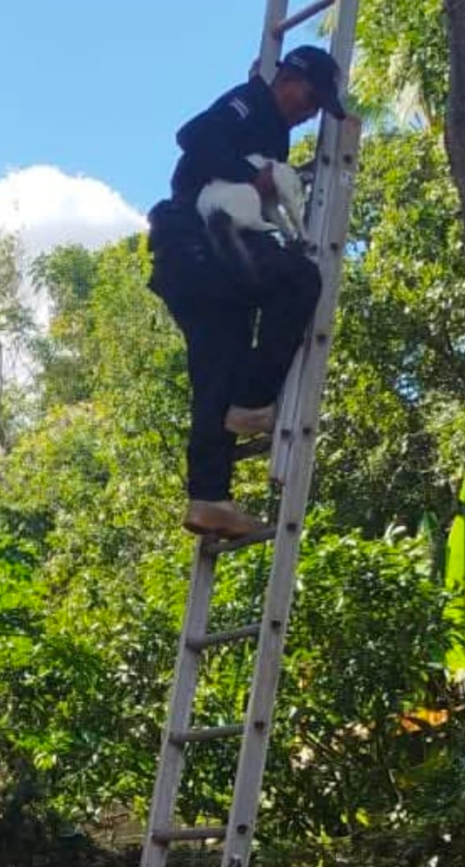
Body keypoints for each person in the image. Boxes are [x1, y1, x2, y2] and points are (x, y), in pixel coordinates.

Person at [147, 46, 346, 540]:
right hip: (204, 246)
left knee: (218, 370)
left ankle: (209, 498)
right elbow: (193, 136)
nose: (309, 113)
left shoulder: (269, 124)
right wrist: (249, 178)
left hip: (189, 265)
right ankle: (254, 400)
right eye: (310, 99)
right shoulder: (249, 102)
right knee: (299, 279)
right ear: (287, 79)